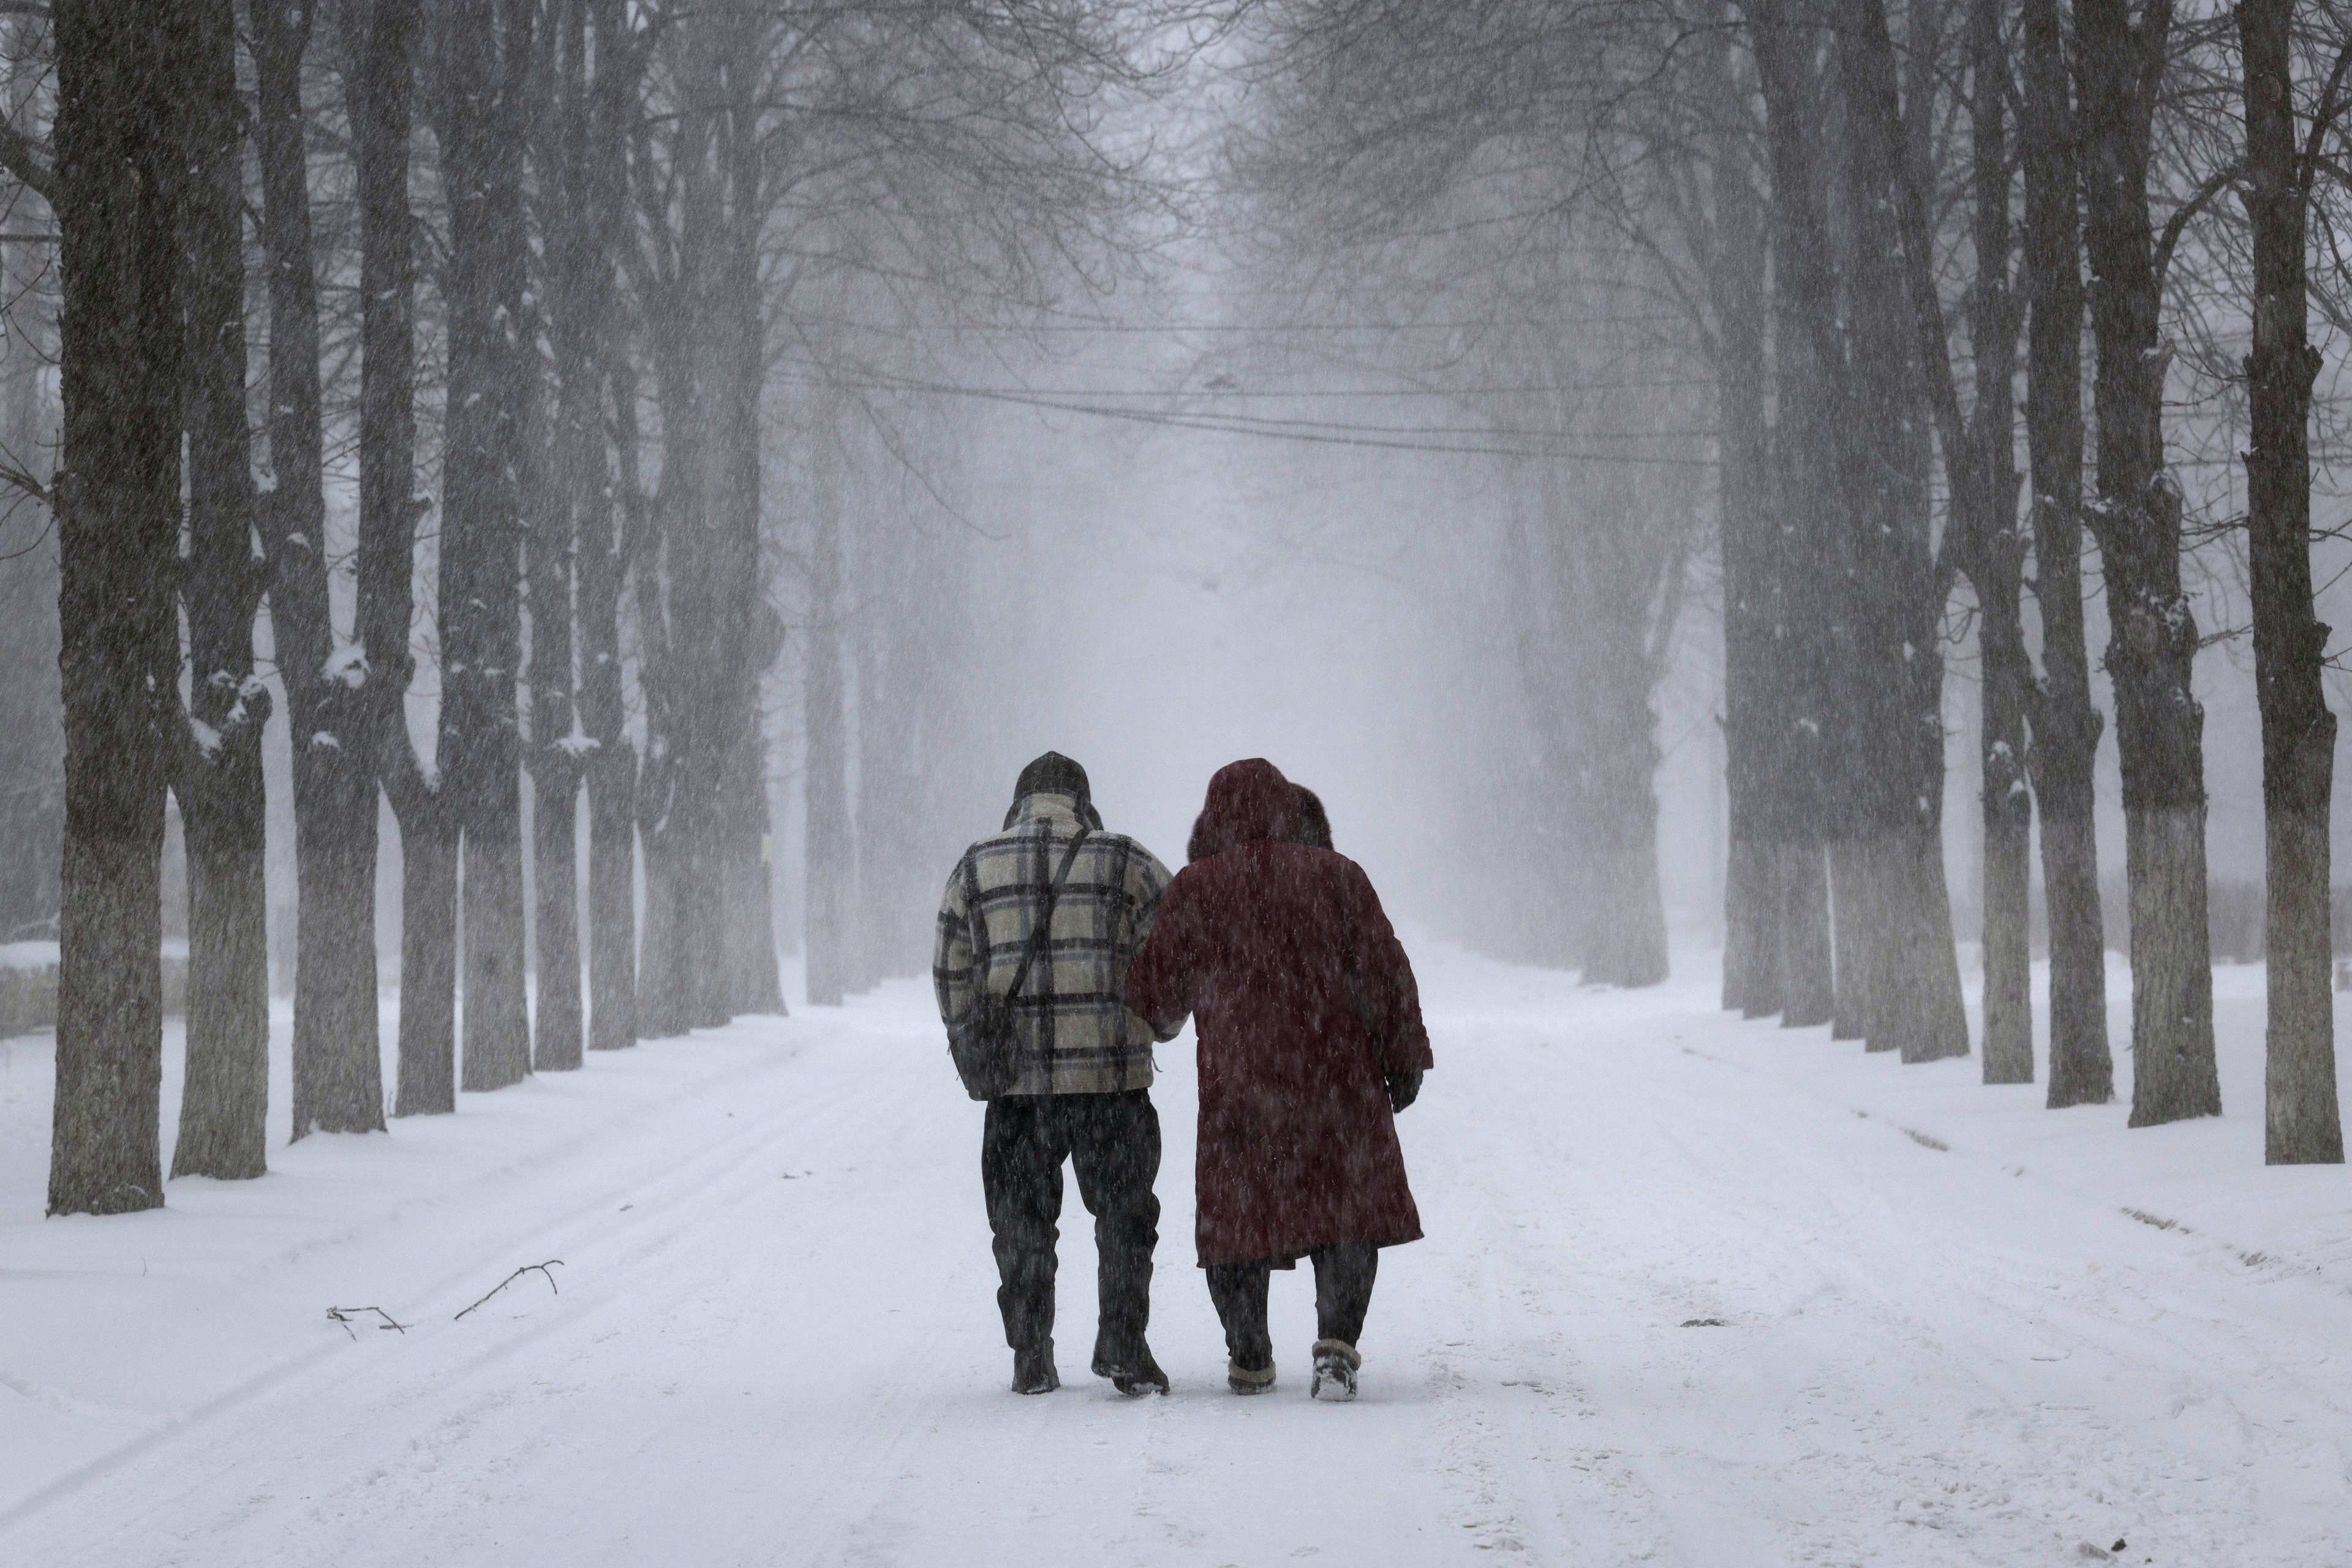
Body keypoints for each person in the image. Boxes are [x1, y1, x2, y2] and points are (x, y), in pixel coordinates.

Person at [1125, 758, 1431, 1401]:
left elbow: (1155, 994)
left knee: (1238, 1218)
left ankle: (1250, 1353)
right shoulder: (1339, 878)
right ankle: (1337, 1348)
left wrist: (1159, 1006)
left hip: (1241, 1085)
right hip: (1337, 1080)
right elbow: (1388, 974)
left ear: (1213, 819)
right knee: (1344, 1214)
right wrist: (1402, 1059)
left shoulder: (1196, 888)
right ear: (1292, 811)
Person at [933, 752, 1182, 1396]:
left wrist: (973, 1048)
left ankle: (1031, 1355)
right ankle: (1123, 1343)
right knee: (1125, 1216)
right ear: (1083, 801)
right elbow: (1176, 951)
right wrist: (1161, 1024)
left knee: (1021, 1222)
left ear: (1020, 802)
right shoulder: (1129, 861)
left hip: (1017, 1091)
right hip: (1111, 1082)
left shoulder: (975, 865)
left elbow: (951, 970)